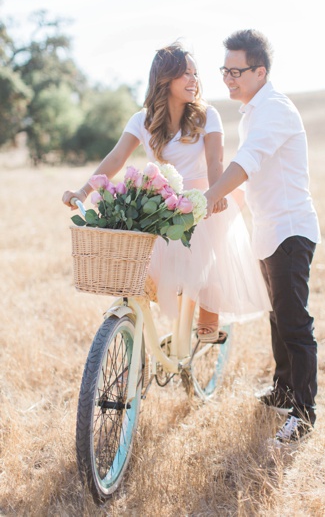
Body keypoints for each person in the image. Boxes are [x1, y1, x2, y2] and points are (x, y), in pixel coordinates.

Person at [62, 44, 269, 339]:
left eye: (195, 74)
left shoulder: (207, 115)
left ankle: (207, 325)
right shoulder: (142, 120)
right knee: (149, 277)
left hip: (203, 202)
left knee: (205, 267)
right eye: (186, 74)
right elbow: (116, 158)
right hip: (163, 206)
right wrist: (83, 191)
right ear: (164, 79)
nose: (194, 80)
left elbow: (215, 161)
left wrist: (216, 195)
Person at [203, 29, 320, 447]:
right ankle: (284, 390)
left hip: (291, 229)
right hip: (269, 229)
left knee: (294, 323)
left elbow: (248, 161)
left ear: (260, 71)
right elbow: (254, 176)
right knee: (277, 317)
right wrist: (221, 201)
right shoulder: (253, 110)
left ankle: (304, 414)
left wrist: (210, 195)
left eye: (236, 71)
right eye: (224, 70)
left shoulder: (275, 109)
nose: (228, 79)